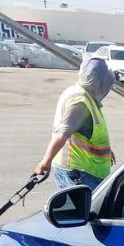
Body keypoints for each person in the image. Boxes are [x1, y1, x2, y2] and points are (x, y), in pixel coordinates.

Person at [35, 57, 115, 190]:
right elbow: (63, 134)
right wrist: (46, 161)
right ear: (99, 82)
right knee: (84, 209)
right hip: (79, 172)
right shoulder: (80, 101)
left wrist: (107, 152)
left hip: (86, 170)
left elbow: (86, 132)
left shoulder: (85, 95)